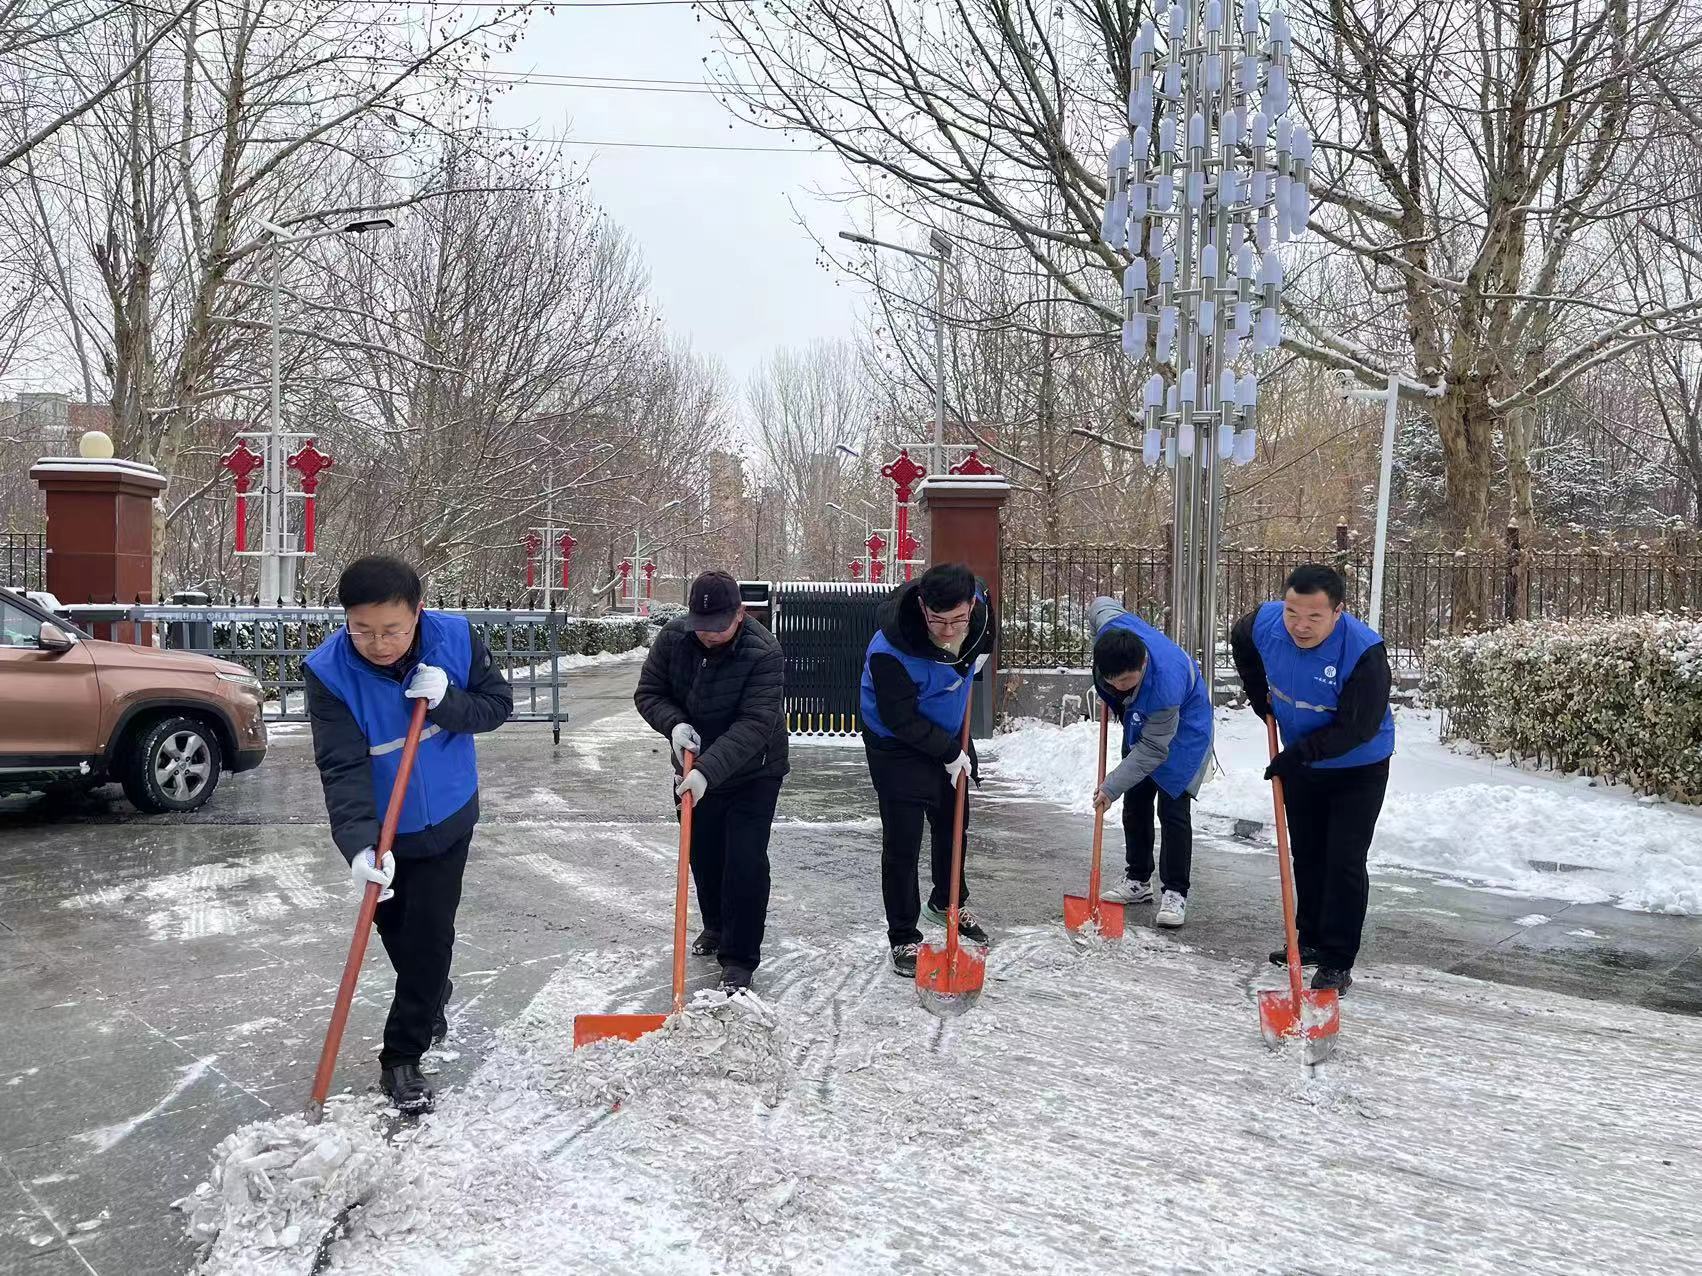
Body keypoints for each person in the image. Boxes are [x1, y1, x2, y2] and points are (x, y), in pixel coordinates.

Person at [305, 556, 512, 1114]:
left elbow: (498, 707)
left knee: (427, 938)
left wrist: (449, 700)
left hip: (448, 813)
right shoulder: (328, 673)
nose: (378, 644)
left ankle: (401, 1056)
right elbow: (342, 766)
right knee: (399, 934)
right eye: (362, 630)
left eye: (393, 630)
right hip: (384, 830)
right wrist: (359, 846)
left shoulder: (457, 640)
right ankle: (432, 990)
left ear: (418, 612)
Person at [1230, 562, 1394, 996]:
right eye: (1292, 613)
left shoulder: (1363, 652)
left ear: (1338, 611)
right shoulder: (1265, 624)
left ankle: (1337, 960)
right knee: (1307, 852)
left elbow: (1357, 728)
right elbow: (1241, 640)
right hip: (1301, 760)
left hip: (1358, 767)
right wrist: (1257, 693)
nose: (1300, 626)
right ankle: (1311, 939)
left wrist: (1296, 756)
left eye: (1314, 617)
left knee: (1343, 859)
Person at [634, 569, 788, 994]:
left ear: (740, 613)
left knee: (744, 861)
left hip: (754, 769)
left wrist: (706, 771)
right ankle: (717, 926)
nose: (709, 635)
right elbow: (649, 692)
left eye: (719, 626)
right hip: (691, 764)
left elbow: (755, 723)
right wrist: (674, 724)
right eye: (702, 626)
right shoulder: (674, 639)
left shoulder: (764, 652)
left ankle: (739, 958)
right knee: (703, 853)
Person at [859, 562, 997, 977]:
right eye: (938, 620)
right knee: (903, 841)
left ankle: (947, 901)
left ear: (971, 605)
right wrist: (948, 752)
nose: (949, 630)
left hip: (949, 728)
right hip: (895, 742)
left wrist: (974, 659)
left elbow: (981, 638)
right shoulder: (889, 651)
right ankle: (903, 934)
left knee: (954, 823)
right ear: (922, 606)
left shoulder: (979, 613)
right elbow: (900, 719)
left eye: (958, 619)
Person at [1086, 596, 1213, 929]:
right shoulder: (1111, 631)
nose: (1118, 688)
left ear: (1143, 663)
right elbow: (1100, 604)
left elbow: (1153, 750)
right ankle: (1138, 879)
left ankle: (1175, 891)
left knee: (1172, 808)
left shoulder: (1165, 686)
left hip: (1184, 729)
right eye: (1113, 682)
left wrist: (1110, 786)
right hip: (1143, 717)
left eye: (1126, 682)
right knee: (1136, 799)